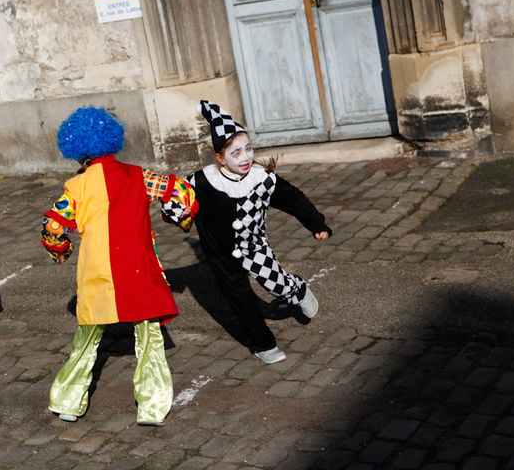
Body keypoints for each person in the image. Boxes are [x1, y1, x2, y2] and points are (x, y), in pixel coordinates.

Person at [41, 106, 196, 425]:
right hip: (138, 269)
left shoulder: (76, 188)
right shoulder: (141, 176)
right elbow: (183, 192)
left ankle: (69, 402)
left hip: (97, 274)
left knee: (86, 339)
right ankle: (152, 408)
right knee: (150, 338)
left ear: (78, 150)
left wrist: (63, 251)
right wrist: (177, 217)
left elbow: (52, 229)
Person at [169, 100, 331, 364]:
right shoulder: (200, 181)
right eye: (235, 153)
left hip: (253, 246)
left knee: (276, 285)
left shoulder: (262, 179)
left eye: (248, 149)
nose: (245, 157)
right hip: (220, 253)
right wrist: (178, 213)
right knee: (240, 298)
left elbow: (294, 199)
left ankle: (297, 289)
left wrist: (316, 223)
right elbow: (173, 204)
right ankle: (263, 343)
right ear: (220, 158)